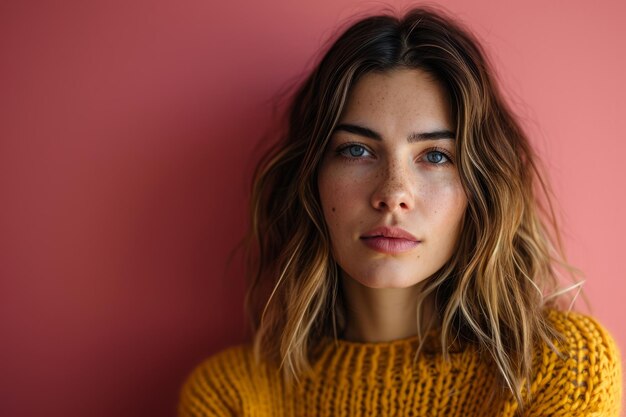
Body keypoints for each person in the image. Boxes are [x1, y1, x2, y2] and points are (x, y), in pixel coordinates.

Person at [178, 6, 622, 416]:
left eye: (435, 156)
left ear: (480, 187)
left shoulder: (558, 367)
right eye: (356, 150)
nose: (393, 194)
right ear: (312, 177)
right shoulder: (232, 396)